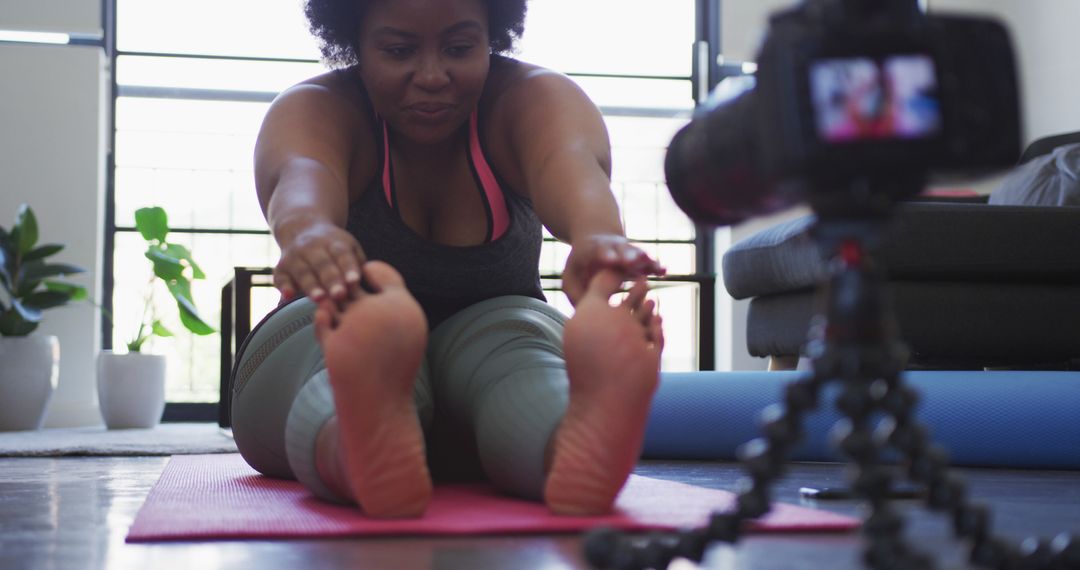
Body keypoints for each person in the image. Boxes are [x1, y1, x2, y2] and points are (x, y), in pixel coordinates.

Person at [230, 0, 666, 519]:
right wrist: (309, 235)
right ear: (355, 42)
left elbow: (568, 164)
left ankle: (573, 445)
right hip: (316, 342)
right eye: (399, 51)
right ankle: (361, 441)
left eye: (460, 48)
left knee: (516, 343)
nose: (433, 76)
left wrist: (597, 237)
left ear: (492, 36)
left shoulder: (532, 99)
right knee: (348, 326)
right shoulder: (319, 107)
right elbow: (300, 174)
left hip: (492, 355)